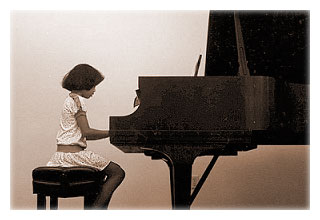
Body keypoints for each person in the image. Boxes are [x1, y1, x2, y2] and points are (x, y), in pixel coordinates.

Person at [47, 64, 125, 209]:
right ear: (85, 83)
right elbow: (87, 133)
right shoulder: (79, 101)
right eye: (93, 85)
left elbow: (82, 134)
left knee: (101, 176)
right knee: (117, 172)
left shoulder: (70, 98)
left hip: (60, 155)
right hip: (74, 155)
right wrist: (113, 132)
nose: (95, 90)